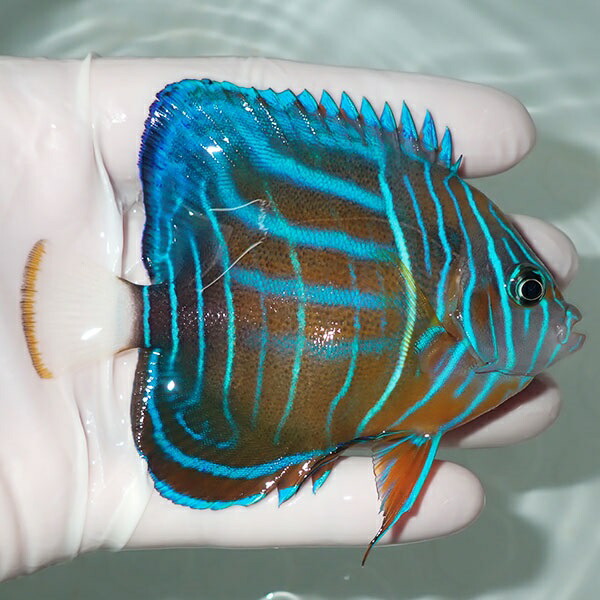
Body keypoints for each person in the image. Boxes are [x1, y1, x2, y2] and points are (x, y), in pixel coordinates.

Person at [0, 56, 577, 581]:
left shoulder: (474, 333)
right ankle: (130, 316)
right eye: (528, 290)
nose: (557, 316)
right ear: (467, 297)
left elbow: (416, 430)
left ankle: (132, 317)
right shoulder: (469, 325)